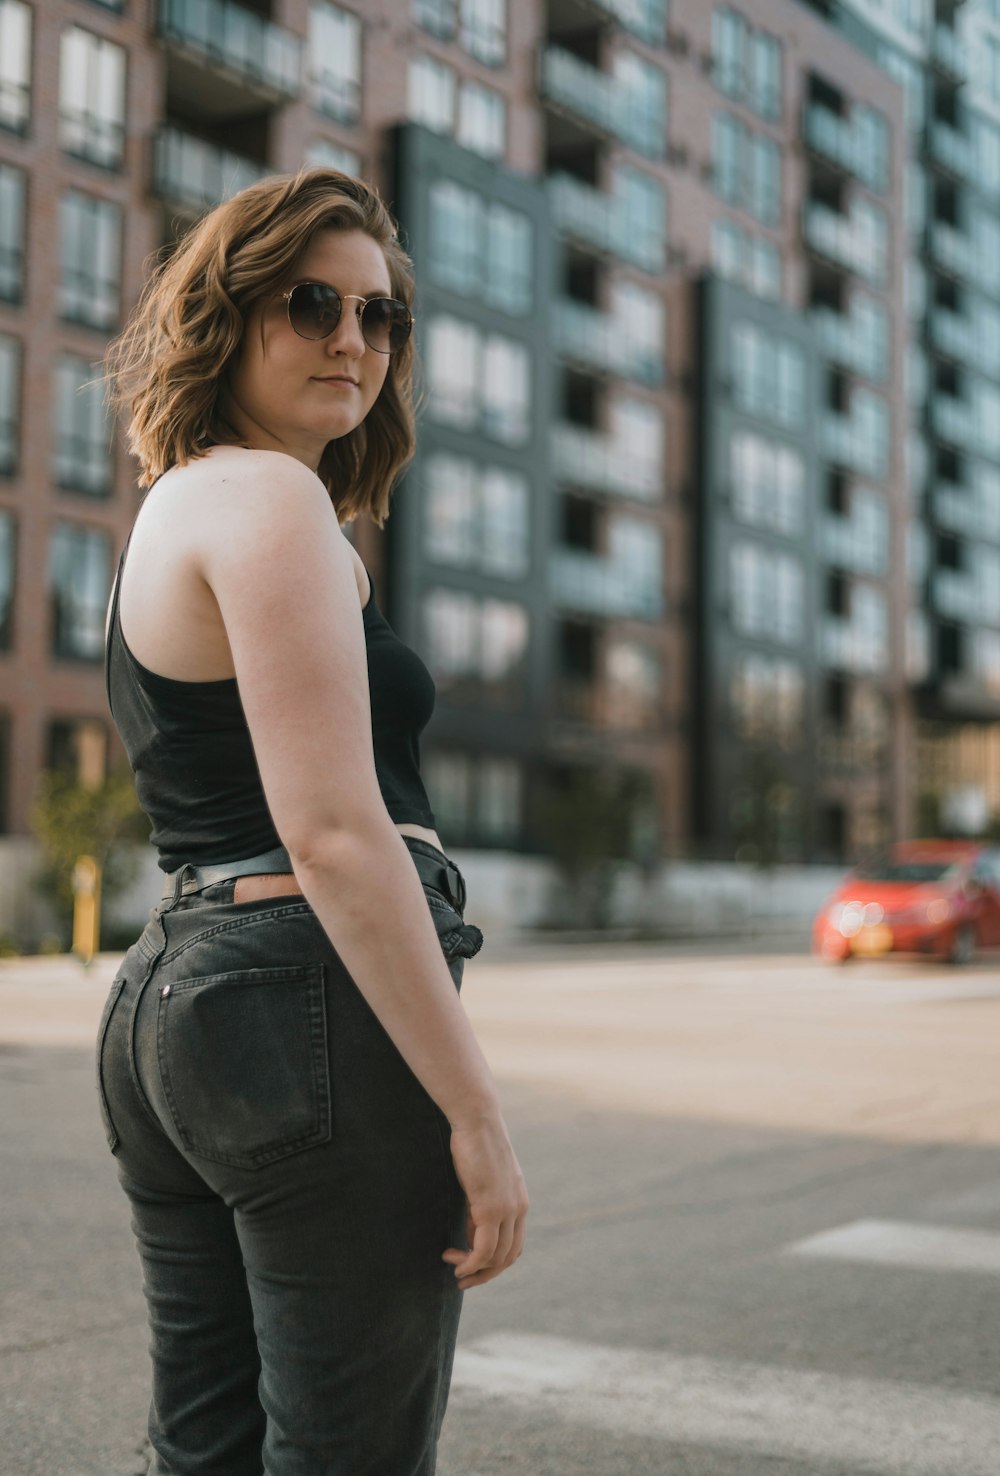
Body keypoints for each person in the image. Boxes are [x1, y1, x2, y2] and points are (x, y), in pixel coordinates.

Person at [96, 166, 528, 1476]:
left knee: (208, 1452)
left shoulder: (179, 501)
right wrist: (475, 1109)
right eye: (310, 303)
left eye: (379, 316)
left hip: (179, 1010)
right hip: (306, 1010)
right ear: (227, 318)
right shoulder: (273, 501)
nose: (353, 339)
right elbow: (336, 831)